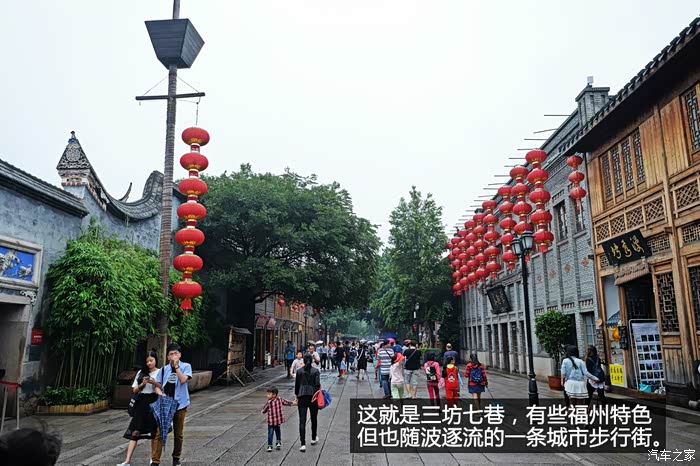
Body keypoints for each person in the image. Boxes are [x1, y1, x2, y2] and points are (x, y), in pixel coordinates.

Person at [151, 343, 192, 466]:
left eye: (176, 353)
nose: (173, 356)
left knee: (178, 434)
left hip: (180, 404)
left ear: (180, 355)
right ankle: (155, 461)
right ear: (168, 356)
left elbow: (183, 380)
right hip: (166, 404)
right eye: (171, 354)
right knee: (159, 433)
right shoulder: (163, 370)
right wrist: (160, 394)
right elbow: (157, 386)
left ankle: (176, 457)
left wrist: (176, 367)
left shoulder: (186, 366)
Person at [118, 351, 161, 466]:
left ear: (156, 360)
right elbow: (134, 390)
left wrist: (154, 382)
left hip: (154, 401)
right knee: (135, 431)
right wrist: (142, 384)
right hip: (141, 403)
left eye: (151, 360)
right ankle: (127, 461)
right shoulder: (141, 372)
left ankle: (153, 459)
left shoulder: (160, 372)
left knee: (154, 431)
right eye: (147, 361)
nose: (149, 363)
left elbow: (163, 387)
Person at [294, 354, 321, 452]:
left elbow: (297, 386)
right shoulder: (316, 371)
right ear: (312, 361)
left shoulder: (299, 371)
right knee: (314, 418)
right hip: (313, 397)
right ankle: (313, 438)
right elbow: (317, 385)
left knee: (302, 421)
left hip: (302, 396)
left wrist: (296, 396)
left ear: (304, 361)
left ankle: (303, 444)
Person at [261, 386, 296, 452]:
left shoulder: (269, 402)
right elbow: (286, 402)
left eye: (269, 394)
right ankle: (278, 443)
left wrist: (263, 411)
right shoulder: (279, 399)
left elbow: (264, 409)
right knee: (278, 431)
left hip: (271, 421)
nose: (267, 395)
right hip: (277, 421)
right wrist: (292, 403)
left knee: (270, 433)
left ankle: (270, 446)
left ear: (274, 395)